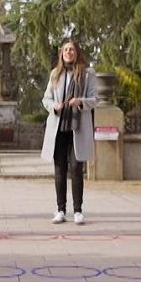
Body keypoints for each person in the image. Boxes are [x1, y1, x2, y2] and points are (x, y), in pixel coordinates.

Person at [42, 40, 98, 225]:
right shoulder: (55, 74)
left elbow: (95, 99)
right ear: (61, 53)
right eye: (65, 49)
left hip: (78, 127)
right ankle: (60, 209)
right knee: (60, 168)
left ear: (77, 52)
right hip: (59, 126)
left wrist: (80, 101)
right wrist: (54, 107)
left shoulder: (88, 74)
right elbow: (46, 99)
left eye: (71, 49)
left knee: (76, 168)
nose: (68, 52)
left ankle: (78, 210)